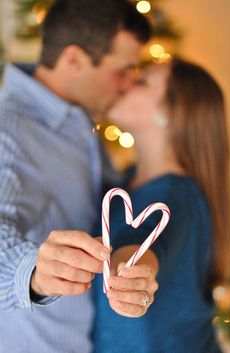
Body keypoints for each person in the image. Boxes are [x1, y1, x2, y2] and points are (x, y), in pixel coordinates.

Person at [0, 1, 158, 352]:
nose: (129, 84)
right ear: (73, 59)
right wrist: (35, 273)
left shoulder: (78, 120)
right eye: (123, 70)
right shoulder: (8, 131)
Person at [92, 59, 230, 353]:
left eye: (141, 82)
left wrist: (132, 273)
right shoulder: (127, 179)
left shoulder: (178, 197)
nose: (126, 82)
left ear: (168, 113)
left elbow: (147, 246)